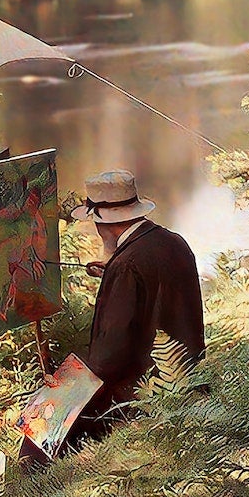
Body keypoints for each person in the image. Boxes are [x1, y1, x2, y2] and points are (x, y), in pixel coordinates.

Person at [76, 169, 206, 426]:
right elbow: (156, 287)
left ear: (105, 223)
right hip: (186, 378)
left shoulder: (126, 266)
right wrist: (113, 272)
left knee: (39, 449)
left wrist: (77, 393)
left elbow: (110, 353)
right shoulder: (174, 241)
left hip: (144, 397)